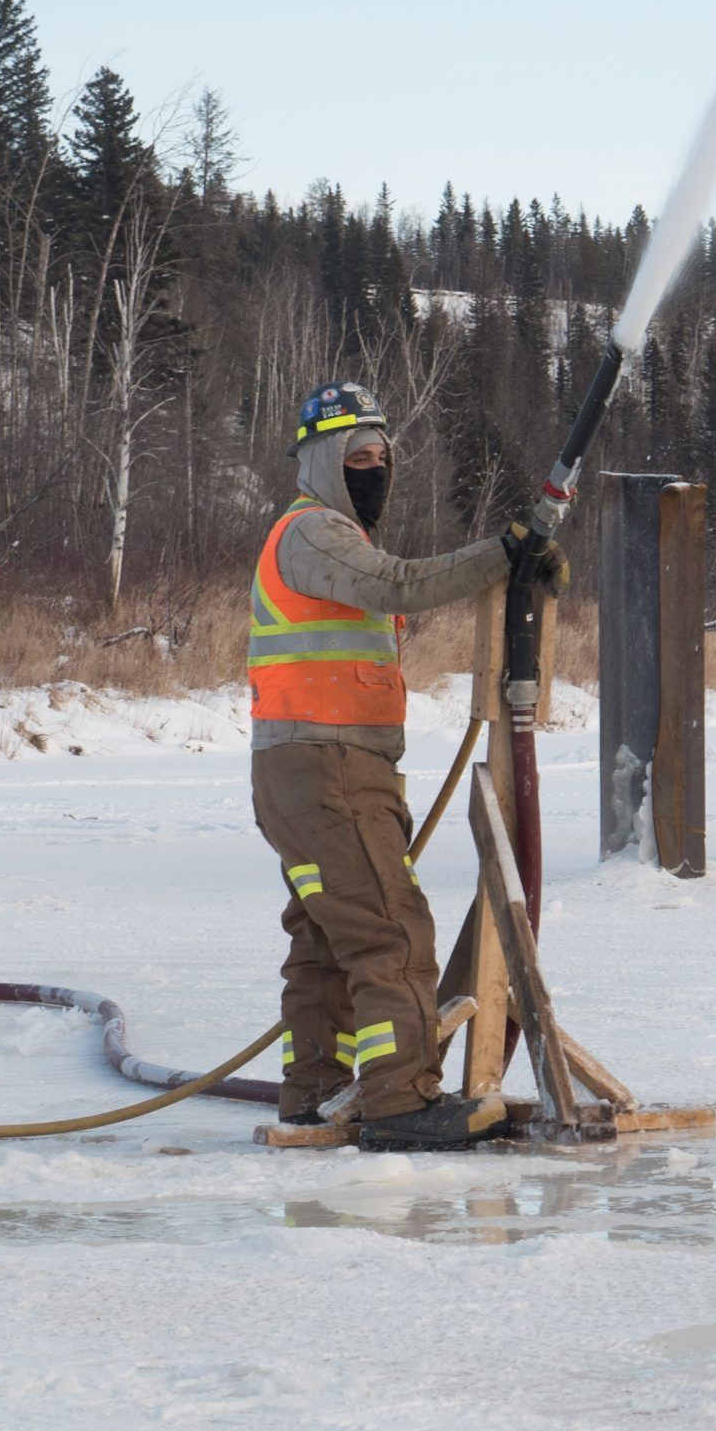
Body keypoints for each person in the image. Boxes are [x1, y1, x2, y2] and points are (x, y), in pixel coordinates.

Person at [247, 381, 566, 1150]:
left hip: (319, 769)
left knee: (328, 939)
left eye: (384, 456)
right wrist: (500, 554)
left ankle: (315, 1090)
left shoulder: (329, 539)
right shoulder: (314, 534)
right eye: (359, 456)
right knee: (391, 932)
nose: (375, 469)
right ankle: (398, 1102)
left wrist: (518, 569)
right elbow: (399, 583)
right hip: (324, 768)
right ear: (323, 461)